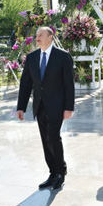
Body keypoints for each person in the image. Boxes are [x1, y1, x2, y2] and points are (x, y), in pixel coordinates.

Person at [16, 26, 75, 190]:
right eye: (36, 36)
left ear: (50, 37)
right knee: (45, 139)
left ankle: (61, 172)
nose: (37, 38)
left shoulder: (63, 56)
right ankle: (52, 172)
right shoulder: (32, 57)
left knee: (53, 137)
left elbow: (69, 84)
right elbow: (26, 84)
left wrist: (69, 107)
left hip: (57, 106)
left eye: (40, 35)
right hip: (39, 106)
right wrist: (21, 107)